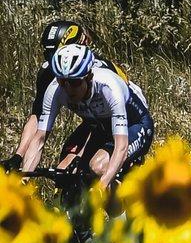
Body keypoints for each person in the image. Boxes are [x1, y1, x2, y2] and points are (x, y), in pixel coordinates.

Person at [19, 44, 154, 191]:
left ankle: (130, 198)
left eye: (75, 82)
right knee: (72, 176)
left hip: (134, 125)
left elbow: (121, 145)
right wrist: (24, 179)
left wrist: (101, 185)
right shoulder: (55, 91)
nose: (68, 88)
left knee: (99, 168)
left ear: (88, 77)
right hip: (102, 128)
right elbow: (39, 139)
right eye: (62, 81)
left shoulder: (108, 87)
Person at [4, 20, 127, 173]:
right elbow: (37, 117)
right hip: (93, 123)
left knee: (79, 169)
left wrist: (79, 157)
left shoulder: (94, 71)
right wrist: (18, 157)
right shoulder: (48, 72)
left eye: (54, 54)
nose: (52, 62)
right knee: (62, 172)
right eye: (47, 54)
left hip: (119, 123)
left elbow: (101, 122)